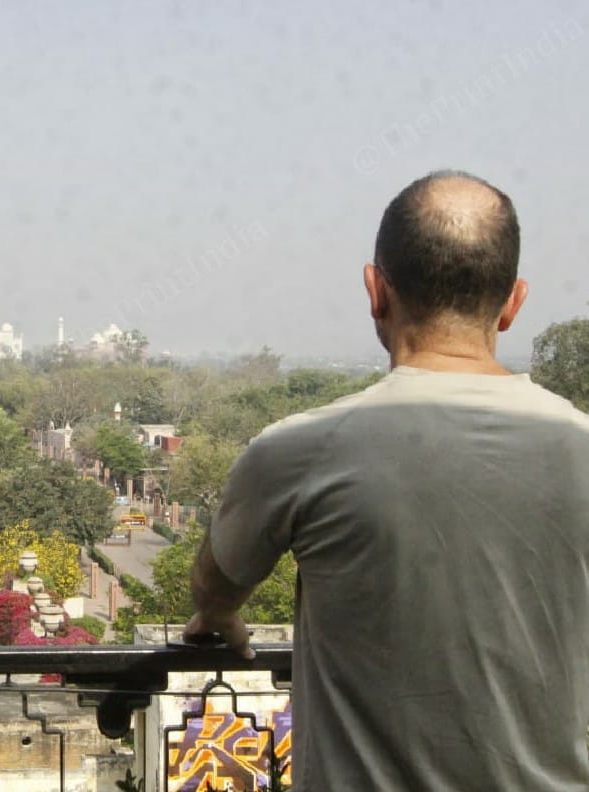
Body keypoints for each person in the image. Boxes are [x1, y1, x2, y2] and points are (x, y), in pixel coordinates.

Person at [184, 171, 589, 789]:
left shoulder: (299, 450)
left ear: (376, 292)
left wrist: (221, 617)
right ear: (513, 303)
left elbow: (217, 584)